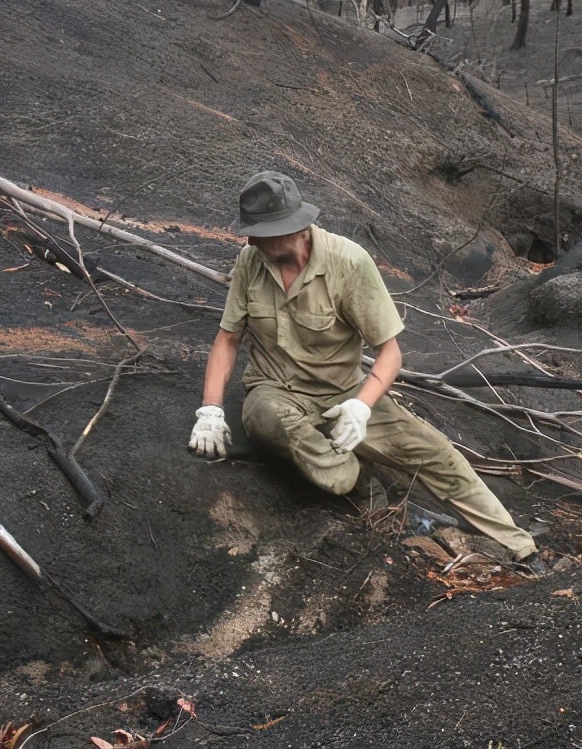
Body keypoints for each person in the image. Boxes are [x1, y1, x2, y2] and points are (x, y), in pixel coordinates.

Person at [189, 171, 541, 566]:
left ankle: (519, 546)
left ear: (297, 227)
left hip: (343, 394)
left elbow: (389, 352)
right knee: (269, 419)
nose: (252, 240)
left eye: (263, 232)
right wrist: (211, 408)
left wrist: (362, 406)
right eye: (251, 232)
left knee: (437, 454)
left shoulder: (349, 262)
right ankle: (361, 486)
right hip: (277, 391)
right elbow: (228, 338)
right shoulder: (250, 262)